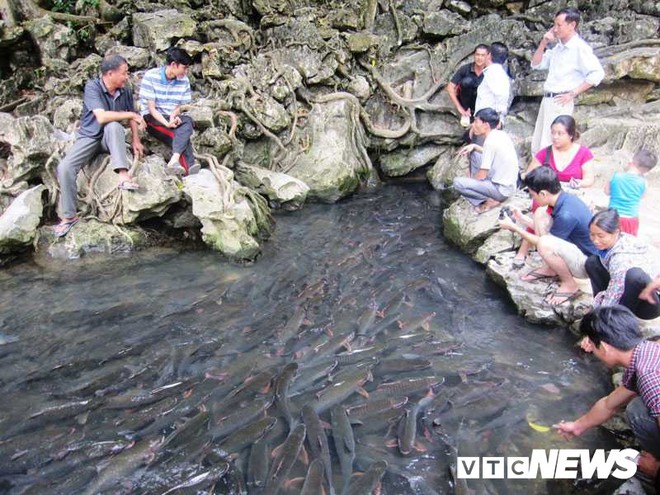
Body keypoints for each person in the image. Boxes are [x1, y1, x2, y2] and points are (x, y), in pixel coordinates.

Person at [555, 305, 660, 482]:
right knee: (637, 407)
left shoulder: (649, 378)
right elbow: (609, 404)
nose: (594, 353)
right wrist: (578, 426)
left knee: (637, 413)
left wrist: (656, 469)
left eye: (593, 347)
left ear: (603, 347)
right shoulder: (647, 352)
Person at [55, 54, 145, 237]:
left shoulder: (125, 90)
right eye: (124, 73)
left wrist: (136, 140)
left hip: (110, 138)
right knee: (65, 168)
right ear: (110, 74)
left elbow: (131, 117)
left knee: (113, 127)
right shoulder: (93, 87)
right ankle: (68, 217)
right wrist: (129, 115)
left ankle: (123, 176)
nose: (126, 77)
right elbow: (102, 117)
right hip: (89, 137)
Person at [498, 166, 598, 305]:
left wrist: (514, 227)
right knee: (540, 213)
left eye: (532, 194)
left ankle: (569, 284)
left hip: (585, 265)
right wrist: (521, 218)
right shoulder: (564, 199)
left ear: (543, 194)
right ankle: (550, 268)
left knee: (545, 245)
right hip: (575, 249)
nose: (532, 198)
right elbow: (549, 234)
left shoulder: (566, 215)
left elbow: (543, 242)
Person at [513, 115, 594, 268]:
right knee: (538, 211)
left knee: (556, 234)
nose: (555, 137)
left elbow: (589, 179)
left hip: (568, 197)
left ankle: (554, 261)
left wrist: (578, 183)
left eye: (560, 133)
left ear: (570, 135)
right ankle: (523, 251)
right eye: (553, 133)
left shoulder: (583, 153)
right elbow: (530, 175)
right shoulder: (545, 152)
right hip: (545, 196)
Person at [530, 7, 604, 154]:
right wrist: (543, 43)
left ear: (572, 25)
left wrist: (573, 93)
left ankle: (551, 175)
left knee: (552, 143)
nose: (555, 29)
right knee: (539, 142)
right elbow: (536, 64)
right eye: (554, 25)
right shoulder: (558, 47)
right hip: (547, 99)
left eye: (559, 25)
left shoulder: (579, 48)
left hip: (560, 100)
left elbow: (597, 73)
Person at [585, 209, 660, 320]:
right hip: (628, 291)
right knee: (592, 262)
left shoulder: (621, 258)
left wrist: (600, 319)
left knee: (634, 276)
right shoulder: (617, 240)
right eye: (592, 235)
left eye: (600, 236)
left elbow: (614, 293)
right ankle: (603, 308)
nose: (595, 240)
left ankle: (621, 320)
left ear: (616, 232)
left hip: (648, 303)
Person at [139, 47, 199, 176]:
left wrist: (173, 116)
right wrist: (167, 123)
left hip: (170, 116)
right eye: (184, 67)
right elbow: (151, 109)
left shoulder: (184, 81)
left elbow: (179, 107)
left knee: (187, 121)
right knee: (177, 134)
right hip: (153, 117)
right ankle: (189, 166)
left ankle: (174, 160)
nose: (186, 71)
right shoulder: (151, 76)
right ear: (173, 65)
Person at [453, 108, 519, 213]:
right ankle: (483, 192)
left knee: (458, 183)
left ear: (486, 125)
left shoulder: (490, 142)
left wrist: (470, 183)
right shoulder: (500, 134)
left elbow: (481, 175)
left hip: (501, 190)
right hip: (509, 185)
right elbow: (491, 154)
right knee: (474, 153)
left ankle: (487, 200)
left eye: (476, 121)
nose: (473, 125)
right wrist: (474, 145)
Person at [605, 149, 657, 236]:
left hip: (612, 216)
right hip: (631, 218)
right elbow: (642, 196)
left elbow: (607, 192)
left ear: (632, 161)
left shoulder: (616, 176)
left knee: (610, 243)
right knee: (628, 245)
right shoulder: (644, 182)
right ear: (647, 170)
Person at [446, 44, 488, 126]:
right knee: (467, 81)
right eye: (477, 55)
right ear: (474, 55)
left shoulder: (489, 71)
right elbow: (450, 87)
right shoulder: (465, 69)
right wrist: (459, 107)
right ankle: (466, 113)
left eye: (482, 55)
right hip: (465, 101)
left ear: (487, 56)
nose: (479, 58)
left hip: (481, 102)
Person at [474, 42, 511, 121]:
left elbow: (502, 94)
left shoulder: (494, 72)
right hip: (486, 116)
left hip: (488, 117)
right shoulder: (496, 71)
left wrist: (498, 117)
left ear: (489, 55)